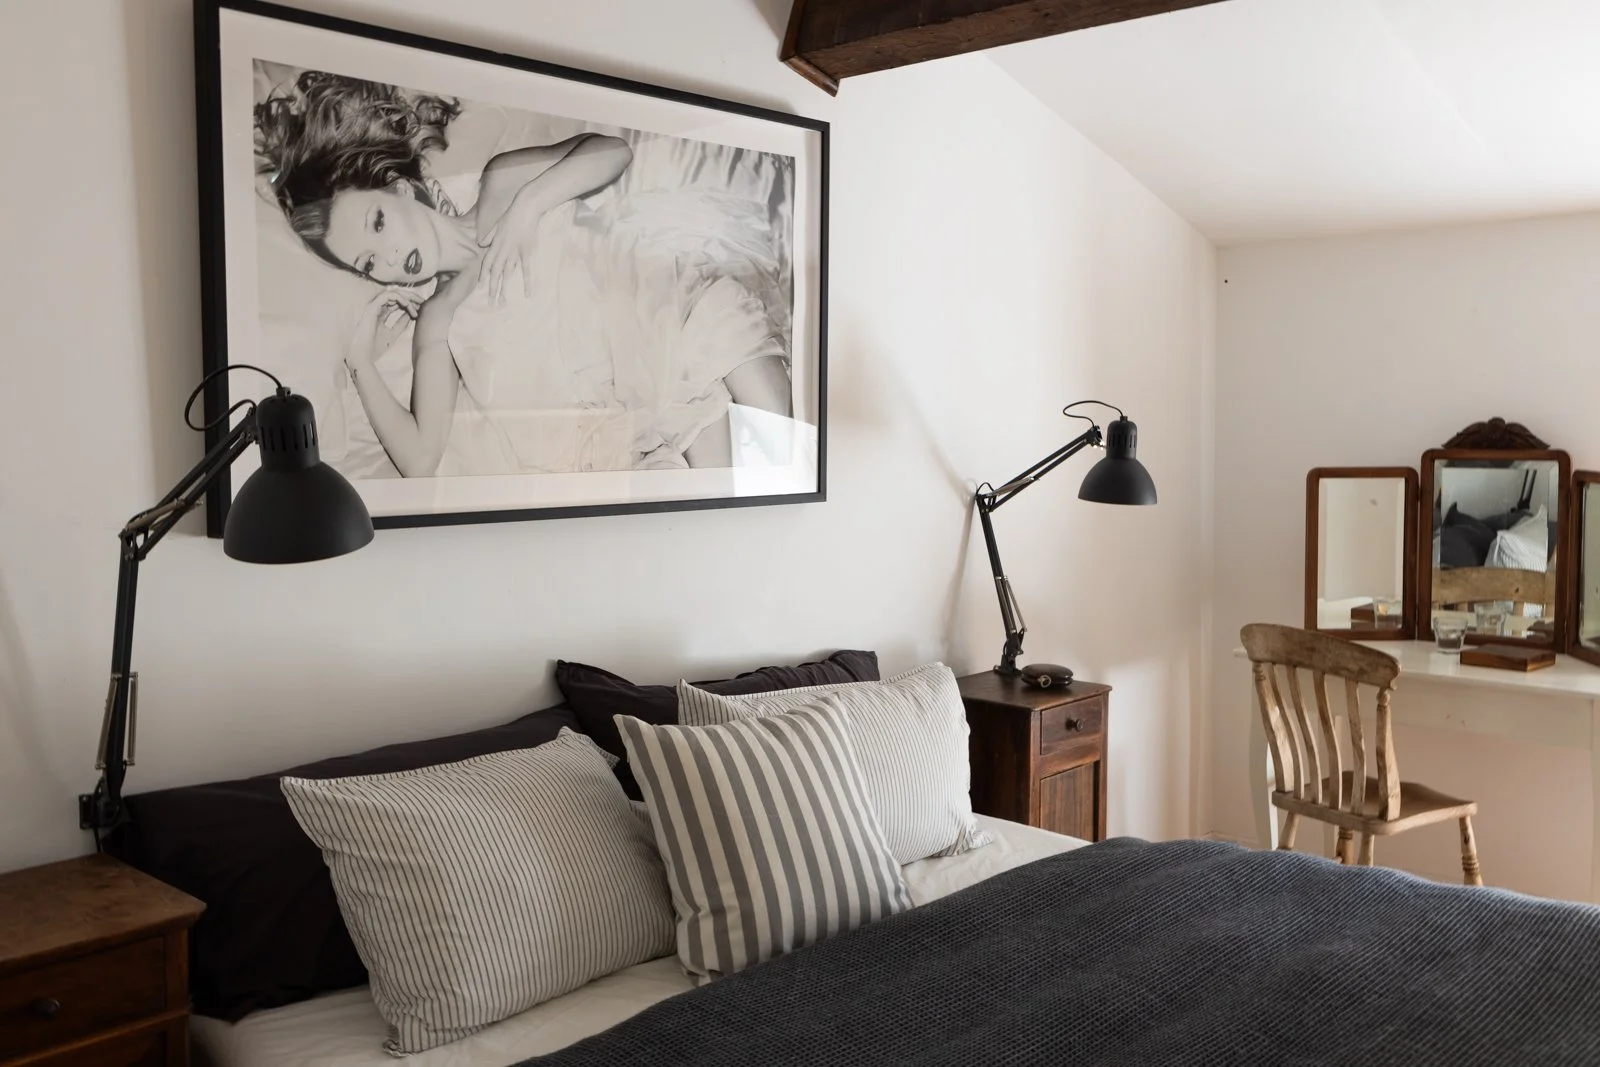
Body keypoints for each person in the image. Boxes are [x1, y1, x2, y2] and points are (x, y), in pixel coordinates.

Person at [256, 72, 792, 478]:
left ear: (397, 189)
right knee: (734, 513)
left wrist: (530, 206)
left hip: (677, 327)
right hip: (630, 422)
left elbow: (612, 152)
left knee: (785, 459)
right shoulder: (438, 317)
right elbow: (420, 459)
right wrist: (359, 361)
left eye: (378, 225)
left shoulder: (500, 185)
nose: (391, 258)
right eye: (369, 264)